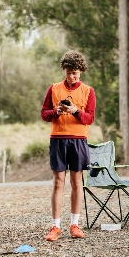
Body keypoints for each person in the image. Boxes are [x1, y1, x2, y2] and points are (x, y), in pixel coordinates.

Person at [41, 50, 96, 241]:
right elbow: (44, 114)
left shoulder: (88, 91)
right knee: (58, 182)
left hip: (79, 140)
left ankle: (75, 224)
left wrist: (75, 111)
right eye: (68, 72)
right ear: (64, 70)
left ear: (81, 71)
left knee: (76, 182)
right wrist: (56, 111)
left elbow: (89, 118)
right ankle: (55, 226)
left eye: (75, 73)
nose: (71, 77)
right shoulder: (54, 88)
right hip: (58, 139)